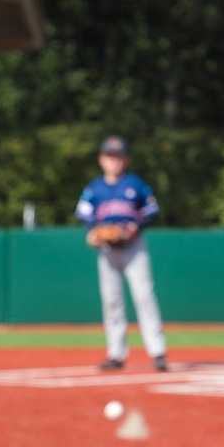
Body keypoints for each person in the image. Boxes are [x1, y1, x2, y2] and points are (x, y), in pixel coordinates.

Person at [74, 136, 168, 373]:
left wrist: (134, 226)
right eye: (109, 156)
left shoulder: (135, 184)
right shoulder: (94, 188)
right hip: (107, 251)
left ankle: (157, 352)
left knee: (144, 297)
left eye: (117, 156)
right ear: (101, 159)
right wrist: (93, 231)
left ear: (125, 160)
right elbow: (83, 213)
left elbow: (151, 209)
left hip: (134, 248)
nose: (113, 161)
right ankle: (116, 354)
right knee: (111, 301)